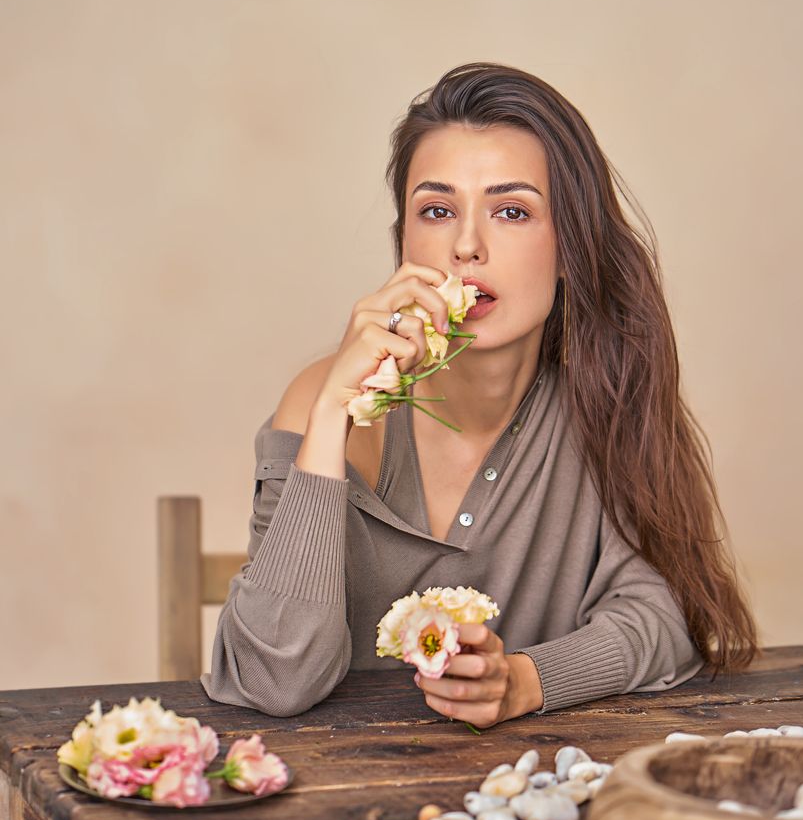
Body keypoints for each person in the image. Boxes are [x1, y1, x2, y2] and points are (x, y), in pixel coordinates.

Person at [200, 62, 758, 725]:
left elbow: (668, 619)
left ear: (570, 248)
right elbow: (274, 680)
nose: (466, 246)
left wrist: (526, 681)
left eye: (511, 211)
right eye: (437, 211)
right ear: (403, 243)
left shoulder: (603, 404)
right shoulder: (319, 401)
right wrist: (330, 418)